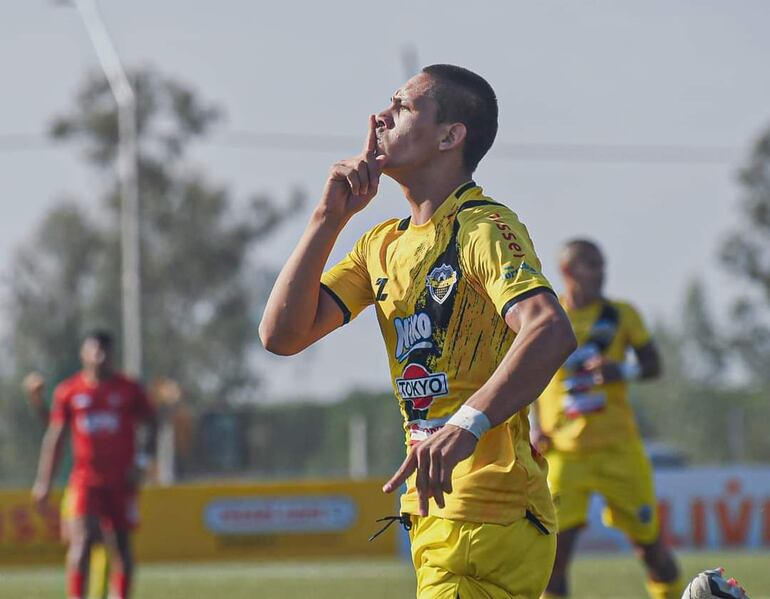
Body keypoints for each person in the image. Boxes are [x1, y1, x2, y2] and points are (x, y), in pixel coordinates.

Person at [259, 64, 577, 598]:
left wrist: (467, 424)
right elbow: (282, 336)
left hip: (487, 509)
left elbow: (548, 328)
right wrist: (327, 218)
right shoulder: (380, 244)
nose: (380, 116)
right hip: (433, 508)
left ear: (452, 136)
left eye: (403, 107)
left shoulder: (482, 227)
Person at [530, 239, 680, 599]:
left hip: (619, 450)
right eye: (592, 265)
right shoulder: (547, 317)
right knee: (553, 557)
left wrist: (622, 371)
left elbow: (653, 364)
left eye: (602, 265)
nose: (602, 273)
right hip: (564, 455)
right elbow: (528, 377)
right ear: (568, 271)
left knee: (651, 549)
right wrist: (534, 427)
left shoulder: (621, 314)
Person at [32, 331, 155, 599]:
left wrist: (143, 462)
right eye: (94, 350)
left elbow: (152, 424)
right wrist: (44, 483)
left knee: (120, 546)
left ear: (113, 354)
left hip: (122, 481)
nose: (100, 356)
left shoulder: (129, 389)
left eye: (105, 351)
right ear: (83, 354)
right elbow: (55, 439)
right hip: (85, 481)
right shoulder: (69, 391)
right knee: (82, 541)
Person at [23, 372, 111, 599]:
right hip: (78, 488)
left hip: (107, 487)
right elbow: (53, 424)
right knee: (81, 541)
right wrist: (37, 401)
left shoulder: (106, 417)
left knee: (104, 544)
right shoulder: (72, 412)